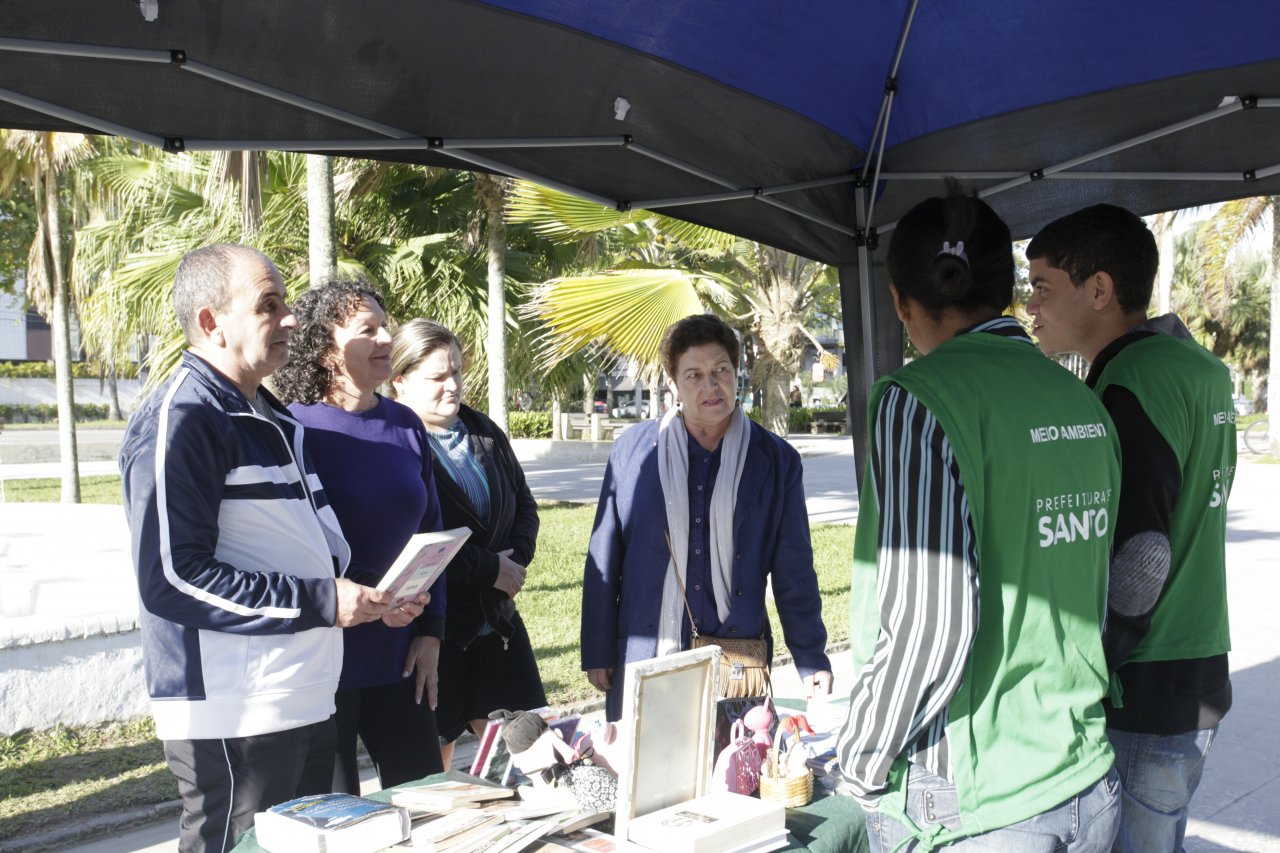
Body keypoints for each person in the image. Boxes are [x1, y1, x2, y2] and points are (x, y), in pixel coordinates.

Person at [836, 192, 1122, 851]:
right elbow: (1094, 587)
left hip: (983, 797)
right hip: (1085, 775)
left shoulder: (917, 399)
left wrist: (860, 759)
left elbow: (932, 625)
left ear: (901, 300)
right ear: (1007, 290)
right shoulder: (1082, 403)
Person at [120, 245, 409, 852]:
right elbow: (173, 578)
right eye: (268, 305)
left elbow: (310, 547)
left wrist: (370, 597)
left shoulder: (270, 415)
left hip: (302, 692)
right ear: (210, 322)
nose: (290, 320)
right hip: (235, 711)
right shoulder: (185, 417)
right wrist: (323, 601)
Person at [1026, 204, 1235, 852]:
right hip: (1201, 669)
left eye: (1041, 287)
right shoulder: (1203, 369)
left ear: (1099, 288)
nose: (1030, 307)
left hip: (1147, 683)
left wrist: (1086, 672)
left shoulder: (1130, 383)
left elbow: (1142, 555)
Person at [581, 313, 833, 722]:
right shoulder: (633, 451)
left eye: (721, 370)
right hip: (647, 652)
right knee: (647, 777)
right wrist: (598, 649)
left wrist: (810, 656)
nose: (710, 385)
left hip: (736, 661)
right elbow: (604, 555)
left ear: (738, 374)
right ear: (673, 383)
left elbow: (794, 569)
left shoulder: (776, 461)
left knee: (734, 773)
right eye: (694, 375)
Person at [274, 280, 447, 793]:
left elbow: (433, 529)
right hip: (324, 660)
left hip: (402, 654)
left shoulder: (406, 424)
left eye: (385, 325)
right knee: (339, 817)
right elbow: (289, 543)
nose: (387, 337)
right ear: (327, 351)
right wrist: (376, 594)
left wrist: (432, 631)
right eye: (368, 329)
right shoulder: (292, 429)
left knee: (428, 800)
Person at [388, 319, 547, 769]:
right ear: (400, 381)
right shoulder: (395, 440)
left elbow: (525, 506)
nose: (453, 385)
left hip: (495, 624)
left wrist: (513, 563)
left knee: (535, 755)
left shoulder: (484, 430)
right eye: (437, 377)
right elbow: (409, 539)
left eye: (456, 371)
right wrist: (486, 568)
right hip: (433, 629)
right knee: (433, 773)